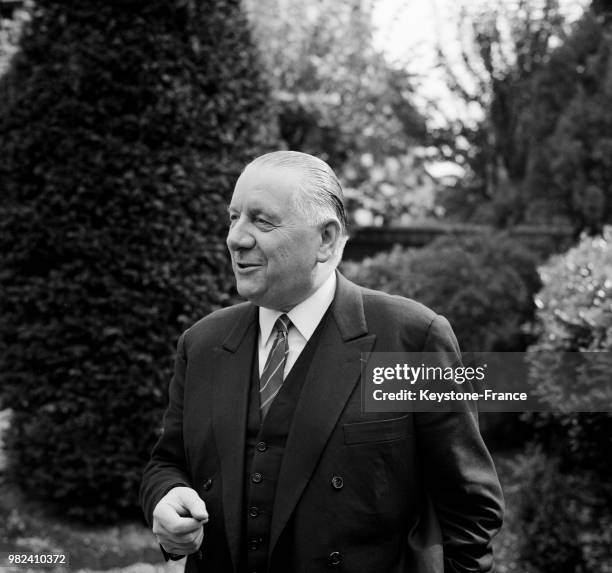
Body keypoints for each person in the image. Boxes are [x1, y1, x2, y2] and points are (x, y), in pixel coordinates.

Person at [140, 150, 504, 573]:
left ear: (326, 239)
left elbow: (469, 508)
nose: (236, 238)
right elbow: (166, 463)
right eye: (233, 217)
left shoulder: (411, 338)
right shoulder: (201, 343)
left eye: (262, 221)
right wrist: (165, 499)